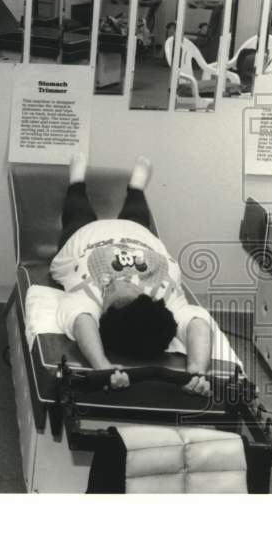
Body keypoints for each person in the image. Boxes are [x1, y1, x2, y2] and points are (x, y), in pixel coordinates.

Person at [51, 152, 213, 396]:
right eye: (132, 292)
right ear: (149, 299)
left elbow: (81, 321)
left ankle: (76, 181)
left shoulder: (88, 301)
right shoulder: (165, 300)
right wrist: (197, 368)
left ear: (104, 312)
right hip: (139, 236)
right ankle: (136, 188)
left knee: (77, 212)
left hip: (86, 235)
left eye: (114, 295)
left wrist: (102, 366)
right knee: (137, 214)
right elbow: (198, 322)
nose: (121, 282)